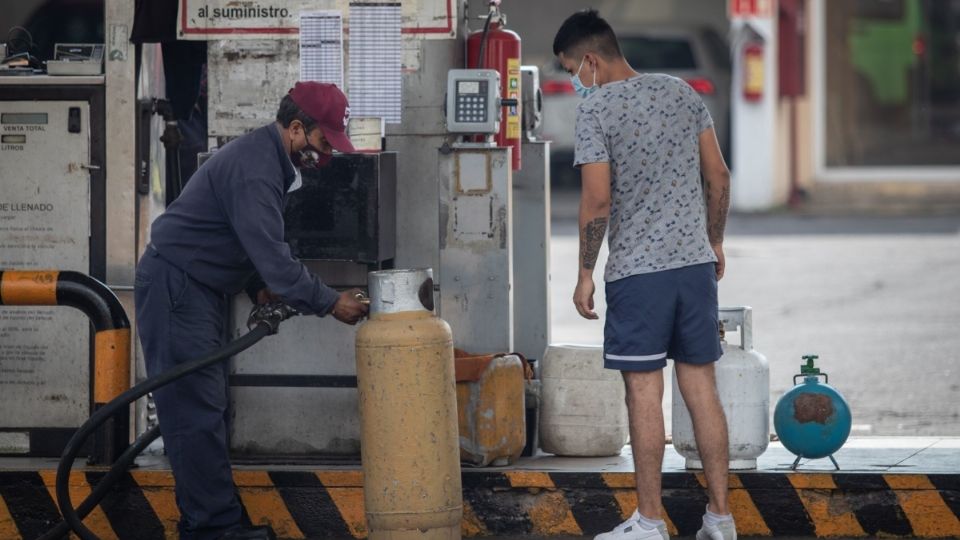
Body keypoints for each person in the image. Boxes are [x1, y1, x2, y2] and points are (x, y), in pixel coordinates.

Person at [134, 82, 369, 540]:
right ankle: (213, 530)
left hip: (195, 287)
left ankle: (214, 521)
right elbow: (276, 260)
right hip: (177, 287)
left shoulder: (268, 159)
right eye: (322, 143)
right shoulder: (257, 169)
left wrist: (255, 286)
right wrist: (329, 302)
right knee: (195, 413)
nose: (324, 157)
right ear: (297, 128)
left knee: (206, 410)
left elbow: (235, 236)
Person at [552, 10, 735, 540]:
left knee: (643, 394)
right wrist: (714, 239)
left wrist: (585, 272)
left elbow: (597, 199)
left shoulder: (597, 109)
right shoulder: (682, 92)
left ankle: (651, 521)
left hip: (638, 274)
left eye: (570, 69)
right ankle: (720, 519)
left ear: (589, 60)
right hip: (694, 267)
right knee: (701, 388)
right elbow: (718, 175)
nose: (573, 81)